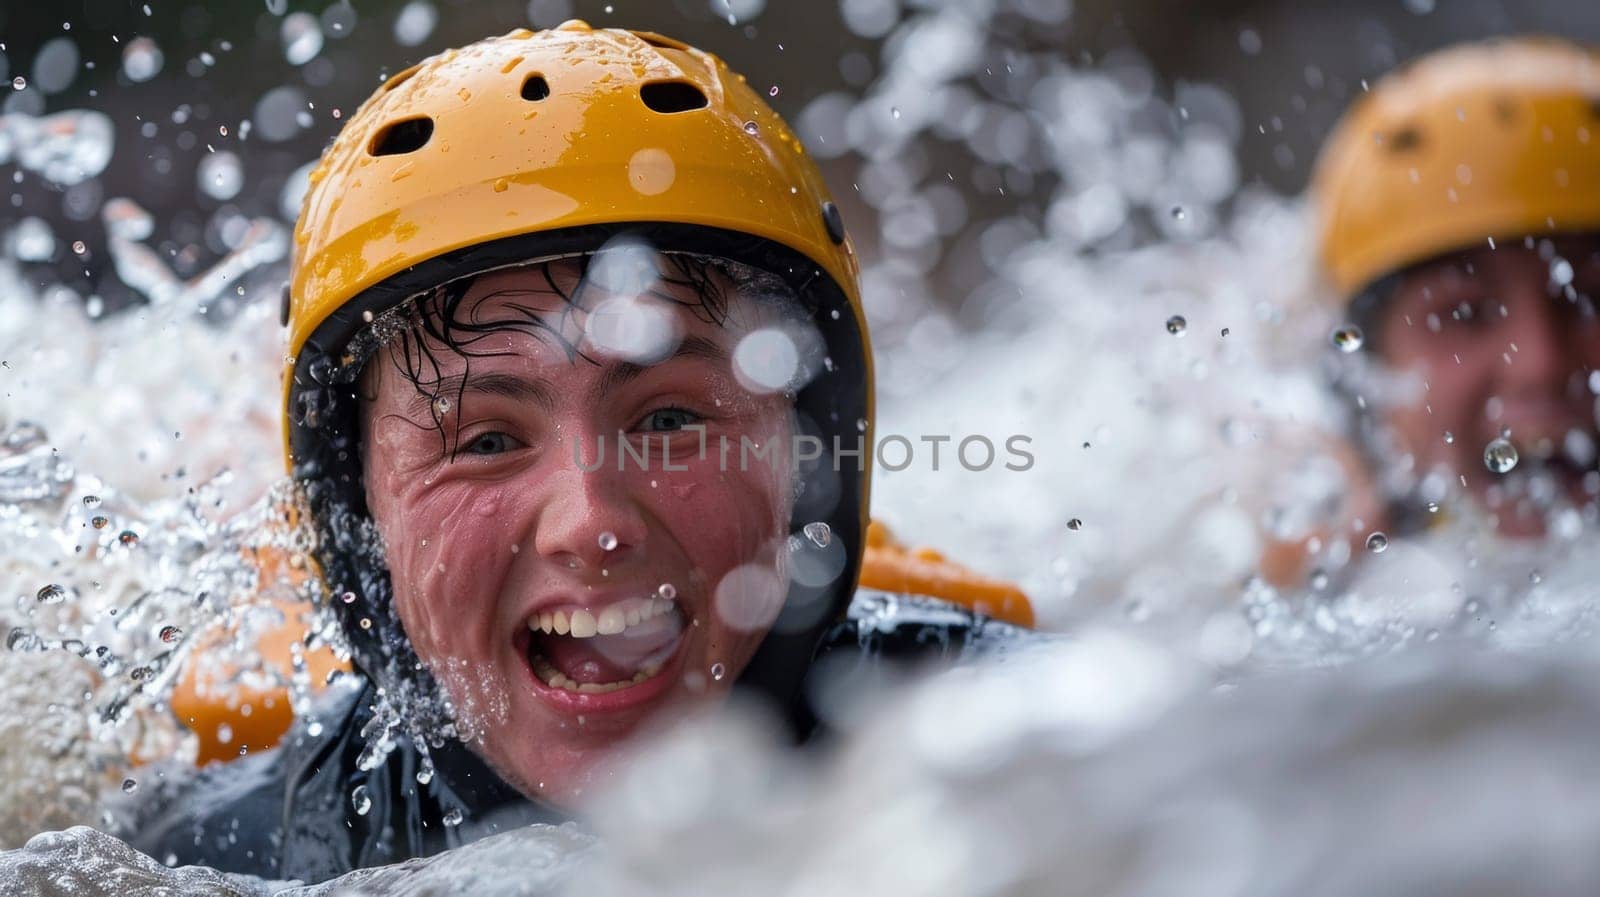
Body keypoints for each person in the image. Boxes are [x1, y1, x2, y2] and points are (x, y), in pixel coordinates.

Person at [121, 21, 1035, 883]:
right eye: (484, 440)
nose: (592, 523)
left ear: (804, 460)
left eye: (671, 420)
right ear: (363, 517)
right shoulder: (215, 855)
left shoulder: (1016, 748)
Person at [1263, 36, 1600, 586]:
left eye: (1592, 299)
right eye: (1463, 315)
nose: (1541, 363)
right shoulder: (1305, 564)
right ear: (1364, 377)